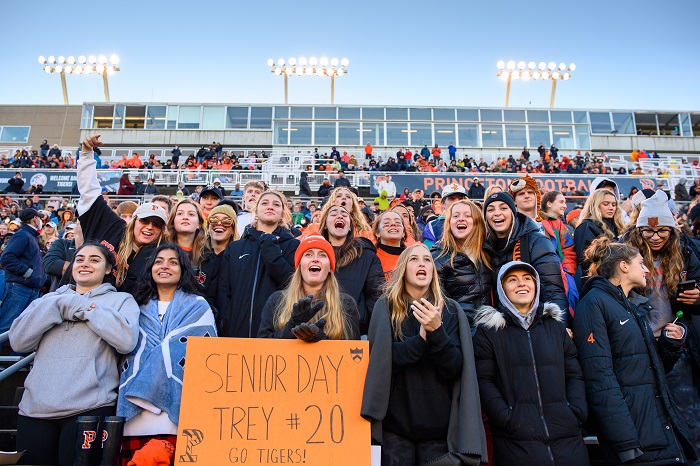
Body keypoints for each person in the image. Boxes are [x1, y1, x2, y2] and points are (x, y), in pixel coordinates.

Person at [9, 243, 139, 466]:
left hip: (90, 408)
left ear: (108, 268)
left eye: (94, 260)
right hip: (35, 409)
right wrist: (59, 305)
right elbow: (18, 341)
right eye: (80, 259)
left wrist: (83, 307)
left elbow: (126, 341)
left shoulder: (121, 301)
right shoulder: (47, 301)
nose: (85, 264)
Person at [574, 237, 696, 465]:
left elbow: (651, 368)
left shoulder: (631, 305)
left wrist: (670, 345)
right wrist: (626, 442)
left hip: (653, 426)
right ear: (623, 266)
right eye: (640, 263)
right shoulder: (594, 303)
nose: (647, 270)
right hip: (635, 437)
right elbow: (599, 378)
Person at [361, 244, 487, 466]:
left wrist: (437, 332)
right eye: (414, 259)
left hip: (438, 428)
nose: (422, 264)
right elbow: (383, 361)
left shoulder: (450, 309)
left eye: (427, 260)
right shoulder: (386, 307)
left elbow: (455, 368)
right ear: (403, 268)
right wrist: (420, 340)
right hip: (395, 427)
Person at [473, 261, 588, 466]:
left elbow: (574, 373)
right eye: (512, 280)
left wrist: (576, 410)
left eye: (527, 279)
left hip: (567, 437)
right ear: (501, 288)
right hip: (517, 441)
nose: (521, 284)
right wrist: (505, 417)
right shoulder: (489, 331)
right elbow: (484, 381)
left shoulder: (554, 326)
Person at [118, 244, 216, 462]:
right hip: (135, 416)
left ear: (182, 270)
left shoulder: (198, 307)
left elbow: (204, 353)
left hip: (177, 416)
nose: (165, 266)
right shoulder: (135, 307)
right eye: (159, 261)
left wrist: (162, 350)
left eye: (173, 262)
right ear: (150, 268)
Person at [623, 190, 700, 453]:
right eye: (649, 232)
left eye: (662, 231)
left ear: (671, 230)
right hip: (640, 345)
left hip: (677, 343)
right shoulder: (623, 254)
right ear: (639, 230)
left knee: (688, 413)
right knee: (648, 415)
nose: (655, 238)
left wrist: (698, 297)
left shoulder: (687, 252)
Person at [77, 135, 168, 296]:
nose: (149, 227)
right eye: (145, 221)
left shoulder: (157, 257)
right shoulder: (112, 226)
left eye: (156, 224)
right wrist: (86, 154)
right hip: (75, 298)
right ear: (134, 221)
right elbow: (89, 192)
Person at [217, 190, 299, 337]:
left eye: (276, 204)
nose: (270, 207)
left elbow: (290, 283)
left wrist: (270, 248)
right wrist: (226, 322)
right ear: (256, 210)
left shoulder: (293, 246)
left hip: (273, 334)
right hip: (235, 333)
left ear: (282, 213)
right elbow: (224, 291)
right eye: (265, 203)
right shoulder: (235, 248)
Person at [482, 192, 569, 322]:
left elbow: (552, 290)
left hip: (535, 324)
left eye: (503, 208)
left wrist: (560, 327)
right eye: (490, 209)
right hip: (502, 328)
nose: (497, 213)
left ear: (513, 212)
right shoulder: (485, 247)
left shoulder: (537, 242)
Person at [258, 235, 360, 340]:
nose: (315, 259)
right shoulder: (277, 300)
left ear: (330, 267)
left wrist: (323, 341)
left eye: (322, 255)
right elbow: (261, 347)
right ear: (299, 265)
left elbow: (352, 352)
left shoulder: (346, 303)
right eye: (308, 254)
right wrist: (290, 328)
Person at [318, 205, 383, 335]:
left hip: (355, 332)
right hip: (317, 330)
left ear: (349, 227)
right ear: (325, 225)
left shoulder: (367, 256)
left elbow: (375, 296)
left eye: (344, 214)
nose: (339, 215)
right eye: (333, 213)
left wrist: (365, 329)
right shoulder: (312, 257)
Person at [432, 200, 492, 328]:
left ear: (477, 222)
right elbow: (435, 302)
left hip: (487, 332)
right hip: (458, 332)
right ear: (449, 223)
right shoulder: (439, 256)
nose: (461, 219)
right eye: (455, 216)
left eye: (467, 215)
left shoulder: (488, 253)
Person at [0, 209, 46, 332]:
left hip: (29, 288)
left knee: (23, 329)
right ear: (34, 219)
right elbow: (6, 258)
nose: (40, 221)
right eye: (39, 218)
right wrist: (27, 272)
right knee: (6, 326)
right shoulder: (23, 235)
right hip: (20, 288)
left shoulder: (30, 236)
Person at [574, 188, 624, 279]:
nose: (611, 207)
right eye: (606, 204)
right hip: (596, 280)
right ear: (595, 205)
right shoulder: (586, 226)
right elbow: (585, 260)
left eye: (614, 204)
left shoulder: (615, 226)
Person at [423, 183, 468, 248]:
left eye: (460, 199)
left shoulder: (474, 223)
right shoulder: (432, 226)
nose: (457, 202)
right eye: (452, 198)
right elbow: (429, 252)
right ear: (443, 203)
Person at [373, 210, 408, 281]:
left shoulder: (411, 256)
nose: (393, 224)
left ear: (403, 232)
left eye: (398, 222)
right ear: (377, 232)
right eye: (386, 223)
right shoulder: (371, 257)